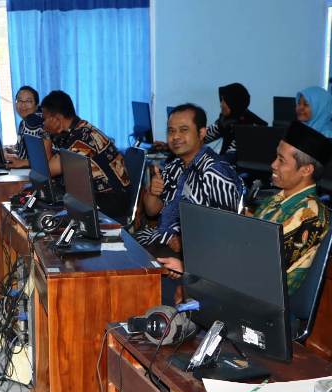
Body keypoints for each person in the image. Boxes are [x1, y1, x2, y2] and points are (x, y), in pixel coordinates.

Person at [160, 121, 331, 297]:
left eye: (281, 160)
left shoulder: (309, 214)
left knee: (163, 293)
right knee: (161, 285)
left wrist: (193, 271)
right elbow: (243, 248)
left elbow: (257, 272)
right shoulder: (277, 198)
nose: (273, 164)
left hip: (262, 304)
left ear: (306, 170)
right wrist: (193, 266)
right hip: (241, 289)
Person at [136, 103, 243, 304]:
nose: (175, 137)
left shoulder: (216, 172)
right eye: (171, 131)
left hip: (197, 262)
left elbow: (227, 235)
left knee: (135, 283)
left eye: (183, 130)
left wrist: (186, 252)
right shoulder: (174, 166)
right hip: (164, 243)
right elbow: (151, 211)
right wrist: (153, 191)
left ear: (202, 133)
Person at [42, 90, 130, 221]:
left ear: (57, 119)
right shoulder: (78, 129)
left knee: (55, 212)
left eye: (45, 119)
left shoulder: (81, 140)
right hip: (102, 196)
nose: (43, 123)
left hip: (112, 202)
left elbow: (47, 170)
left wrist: (46, 133)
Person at [204, 82, 267, 162]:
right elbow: (202, 137)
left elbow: (229, 159)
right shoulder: (227, 121)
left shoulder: (248, 127)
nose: (221, 104)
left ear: (232, 103)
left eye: (224, 100)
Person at [6, 86, 47, 168]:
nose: (23, 105)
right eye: (20, 100)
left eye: (28, 101)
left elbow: (46, 158)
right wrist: (9, 151)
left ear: (36, 105)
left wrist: (22, 163)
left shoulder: (35, 123)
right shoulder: (24, 122)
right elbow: (24, 151)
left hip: (37, 173)